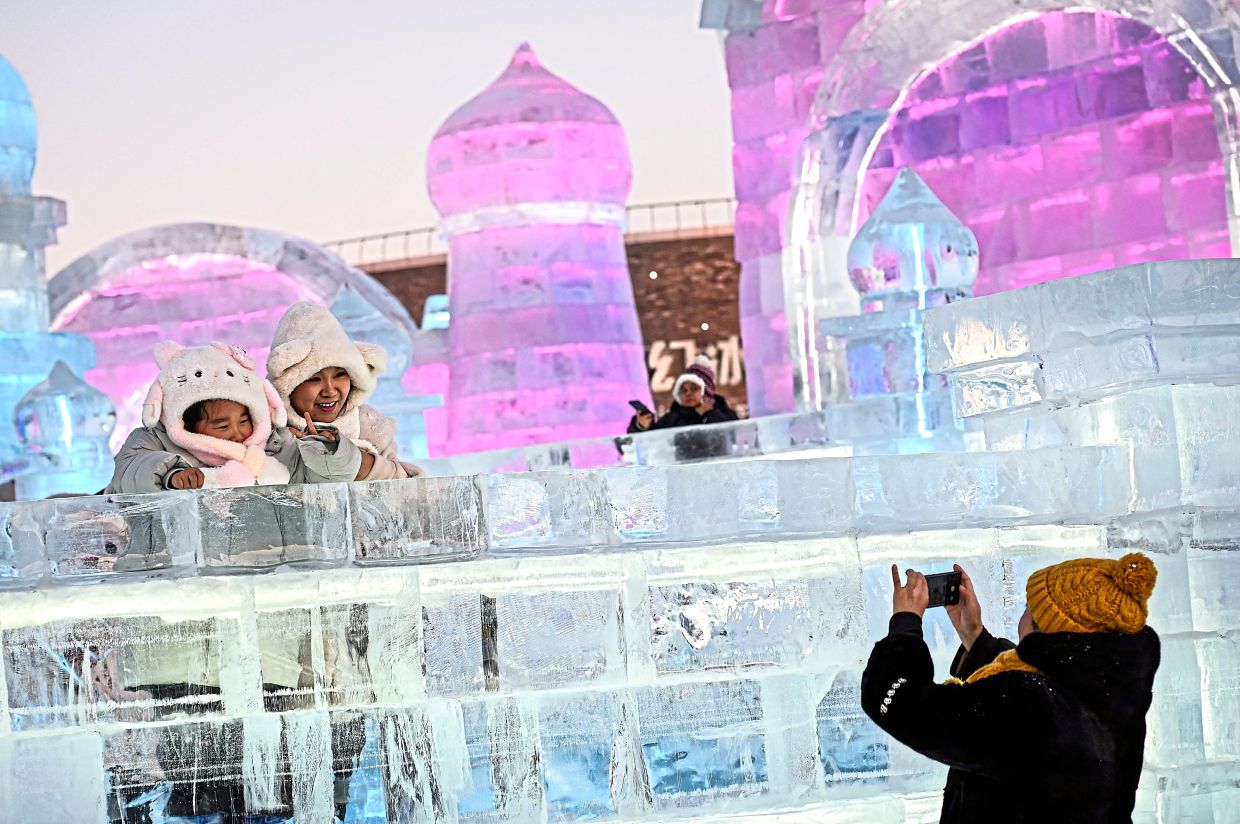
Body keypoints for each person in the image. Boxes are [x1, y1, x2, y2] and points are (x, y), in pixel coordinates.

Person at [861, 553, 1160, 823]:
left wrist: (906, 622)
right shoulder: (1111, 693)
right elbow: (1034, 698)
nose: (1023, 614)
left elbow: (903, 704)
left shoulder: (1030, 709)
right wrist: (975, 635)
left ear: (1048, 629)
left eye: (1029, 607)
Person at [109, 341, 363, 493]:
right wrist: (170, 475)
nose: (238, 433)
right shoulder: (155, 441)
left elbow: (328, 481)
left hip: (272, 559)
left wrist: (326, 452)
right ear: (187, 423)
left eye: (244, 421)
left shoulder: (276, 444)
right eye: (222, 426)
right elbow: (129, 473)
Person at [266, 301, 422, 481]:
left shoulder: (368, 427)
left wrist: (355, 461)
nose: (330, 391)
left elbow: (411, 489)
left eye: (340, 375)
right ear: (288, 386)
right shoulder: (262, 434)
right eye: (314, 379)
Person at [627, 353, 738, 434]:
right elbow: (648, 446)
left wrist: (710, 414)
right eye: (683, 390)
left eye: (694, 388)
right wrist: (641, 426)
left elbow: (736, 436)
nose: (688, 393)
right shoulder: (671, 420)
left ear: (706, 391)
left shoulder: (725, 413)